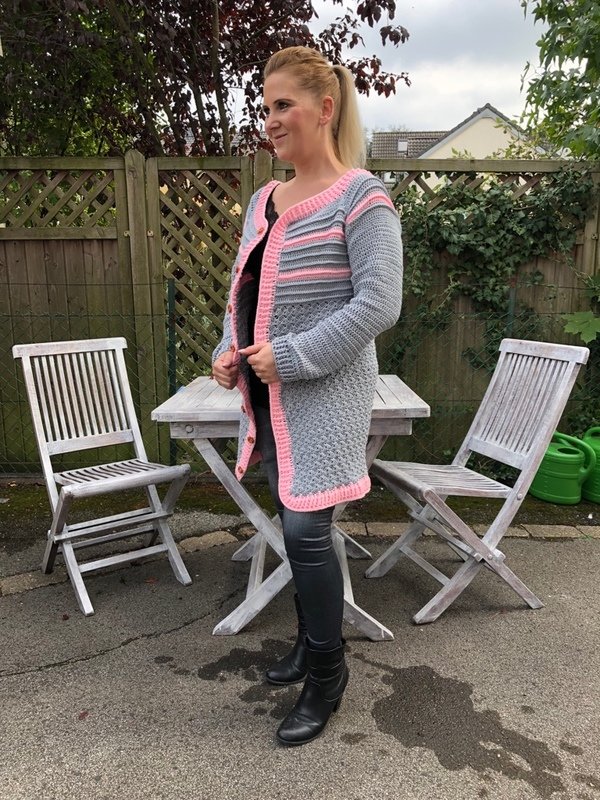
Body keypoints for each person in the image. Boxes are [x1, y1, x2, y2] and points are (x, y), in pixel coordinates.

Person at [211, 45, 403, 746]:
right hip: (268, 396)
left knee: (305, 531)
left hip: (325, 395)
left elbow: (379, 303)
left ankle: (328, 674)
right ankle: (305, 641)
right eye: (265, 107)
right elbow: (242, 290)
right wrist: (227, 350)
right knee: (291, 523)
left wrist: (291, 357)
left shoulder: (363, 197)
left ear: (324, 108)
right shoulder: (264, 200)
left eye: (283, 105)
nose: (270, 119)